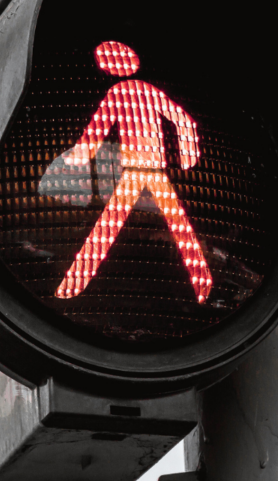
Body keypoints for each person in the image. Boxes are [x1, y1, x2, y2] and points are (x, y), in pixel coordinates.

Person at [55, 40, 213, 304]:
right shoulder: (150, 91)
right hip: (154, 168)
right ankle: (203, 284)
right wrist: (187, 155)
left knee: (108, 225)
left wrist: (77, 159)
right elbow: (182, 119)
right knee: (179, 227)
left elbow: (97, 130)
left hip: (137, 171)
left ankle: (74, 283)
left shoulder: (119, 92)